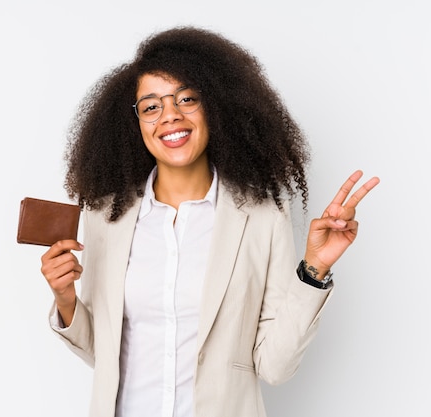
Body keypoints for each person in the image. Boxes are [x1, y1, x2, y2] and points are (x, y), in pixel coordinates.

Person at [40, 26, 379, 417]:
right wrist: (66, 300)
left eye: (187, 99)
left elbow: (276, 366)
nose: (170, 115)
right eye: (151, 106)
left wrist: (315, 269)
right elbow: (103, 354)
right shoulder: (106, 217)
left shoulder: (262, 217)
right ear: (134, 123)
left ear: (214, 106)